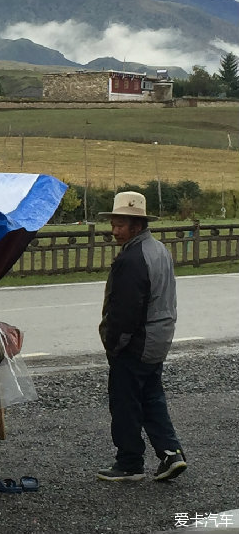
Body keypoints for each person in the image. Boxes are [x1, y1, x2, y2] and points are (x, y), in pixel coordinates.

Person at [96, 191, 186, 482]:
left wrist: (114, 345)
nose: (115, 230)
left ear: (136, 225)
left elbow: (126, 312)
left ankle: (129, 463)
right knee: (151, 398)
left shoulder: (132, 259)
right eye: (114, 224)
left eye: (120, 225)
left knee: (125, 402)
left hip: (137, 342)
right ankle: (171, 454)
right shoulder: (158, 249)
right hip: (158, 340)